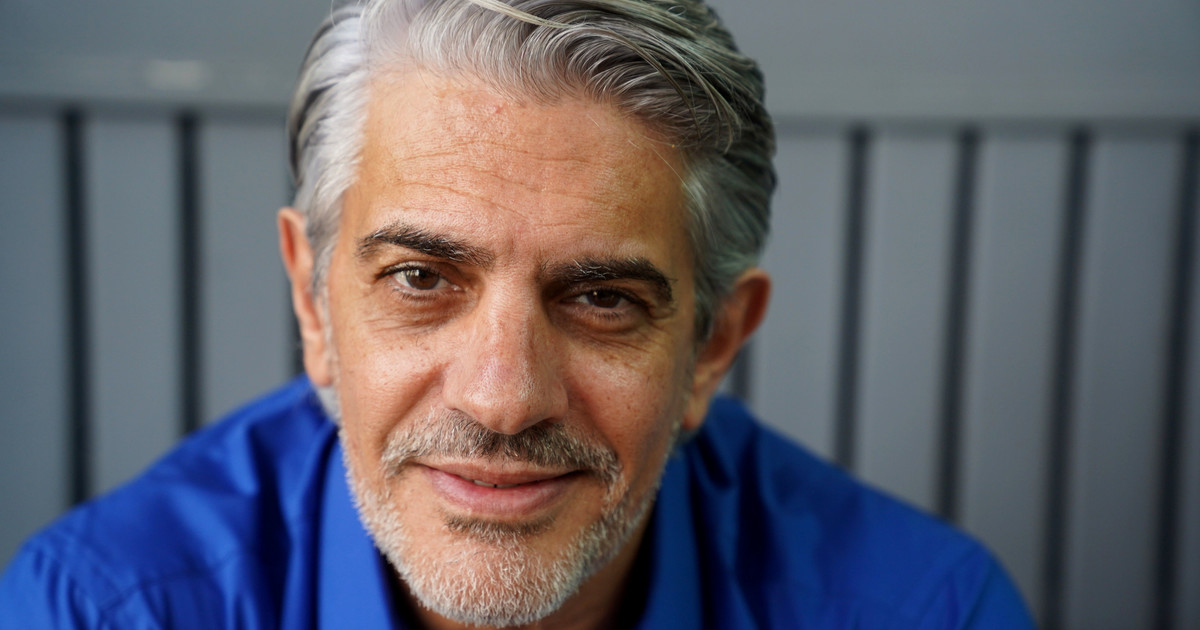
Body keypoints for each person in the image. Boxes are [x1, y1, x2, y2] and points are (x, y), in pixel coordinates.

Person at [0, 0, 1035, 628]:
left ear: (713, 344)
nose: (502, 400)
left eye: (601, 298)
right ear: (314, 300)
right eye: (421, 279)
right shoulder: (103, 608)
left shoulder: (927, 611)